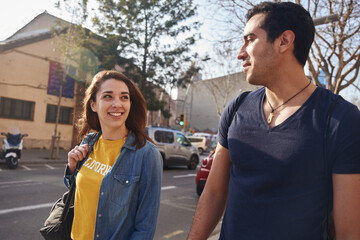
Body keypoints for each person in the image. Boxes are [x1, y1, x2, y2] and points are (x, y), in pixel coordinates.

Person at [188, 2, 360, 240]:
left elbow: (348, 232)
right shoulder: (236, 109)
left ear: (284, 41)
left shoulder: (340, 119)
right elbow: (215, 193)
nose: (240, 52)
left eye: (250, 40)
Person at [64, 70, 163, 240]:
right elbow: (79, 195)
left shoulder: (147, 154)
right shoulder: (88, 142)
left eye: (124, 97)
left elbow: (145, 228)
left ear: (130, 104)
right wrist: (72, 168)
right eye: (108, 96)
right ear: (94, 104)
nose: (117, 104)